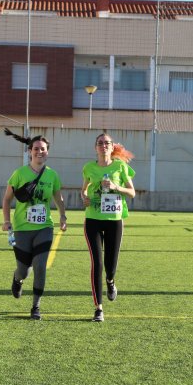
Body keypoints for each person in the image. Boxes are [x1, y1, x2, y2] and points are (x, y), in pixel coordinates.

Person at [2, 128, 67, 320]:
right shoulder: (19, 174)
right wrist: (6, 221)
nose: (40, 152)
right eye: (36, 148)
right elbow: (7, 199)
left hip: (44, 227)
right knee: (24, 269)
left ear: (48, 152)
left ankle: (36, 306)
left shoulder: (52, 175)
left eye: (44, 149)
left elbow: (58, 198)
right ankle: (17, 279)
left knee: (40, 265)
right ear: (30, 151)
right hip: (22, 229)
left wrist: (63, 216)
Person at [81, 132, 135, 322]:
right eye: (100, 143)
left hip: (114, 219)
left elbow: (132, 192)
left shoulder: (120, 166)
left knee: (110, 265)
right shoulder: (88, 168)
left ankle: (110, 281)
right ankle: (98, 308)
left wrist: (115, 187)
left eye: (107, 143)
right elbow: (84, 188)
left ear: (112, 147)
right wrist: (84, 197)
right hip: (93, 219)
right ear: (95, 148)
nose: (103, 146)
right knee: (97, 263)